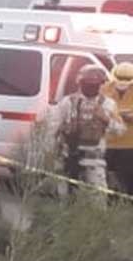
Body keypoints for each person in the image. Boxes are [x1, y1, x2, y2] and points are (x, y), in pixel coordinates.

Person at [47, 65, 124, 202]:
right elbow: (52, 128)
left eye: (94, 85)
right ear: (80, 83)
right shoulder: (67, 102)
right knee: (64, 199)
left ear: (100, 85)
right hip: (68, 158)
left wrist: (105, 119)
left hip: (94, 160)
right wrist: (50, 154)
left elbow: (120, 130)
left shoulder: (108, 104)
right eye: (87, 84)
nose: (91, 87)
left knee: (97, 200)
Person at [101, 62, 133, 193]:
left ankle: (125, 207)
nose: (123, 83)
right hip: (106, 143)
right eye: (120, 80)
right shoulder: (104, 89)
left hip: (129, 145)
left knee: (127, 180)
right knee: (103, 179)